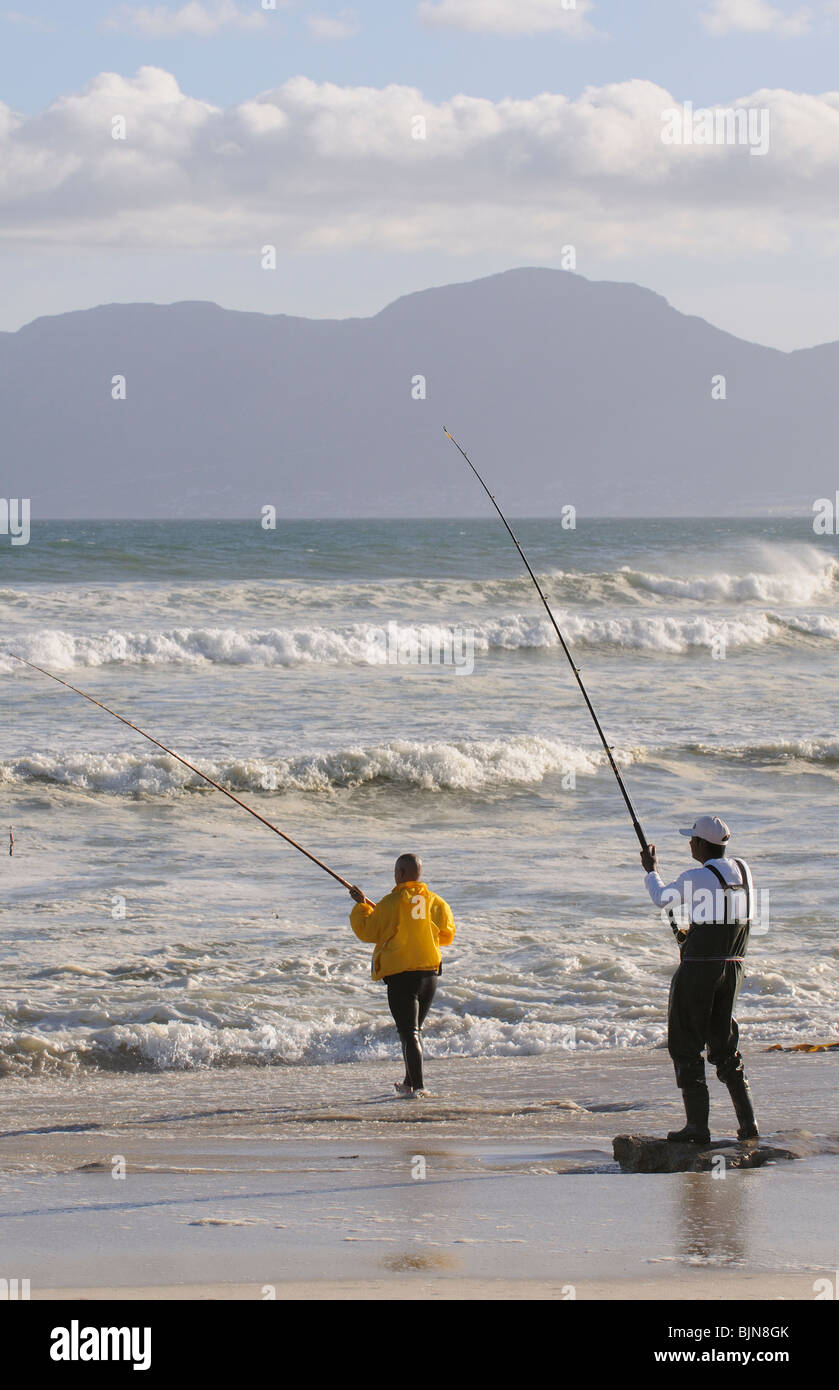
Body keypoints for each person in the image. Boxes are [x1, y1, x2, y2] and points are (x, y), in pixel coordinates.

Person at [640, 814, 759, 1145]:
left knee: (685, 1044)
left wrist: (651, 870)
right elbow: (725, 916)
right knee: (724, 1046)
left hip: (699, 970)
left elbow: (662, 898)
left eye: (692, 839)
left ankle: (697, 1128)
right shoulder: (744, 871)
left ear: (702, 844)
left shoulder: (697, 876)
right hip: (733, 967)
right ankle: (748, 1124)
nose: (689, 843)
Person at [348, 854, 455, 1098]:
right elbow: (447, 935)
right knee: (414, 1030)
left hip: (403, 977)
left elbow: (368, 930)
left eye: (396, 872)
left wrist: (361, 906)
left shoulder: (391, 902)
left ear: (402, 874)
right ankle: (409, 1083)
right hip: (430, 976)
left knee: (409, 1033)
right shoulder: (437, 902)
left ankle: (419, 1089)